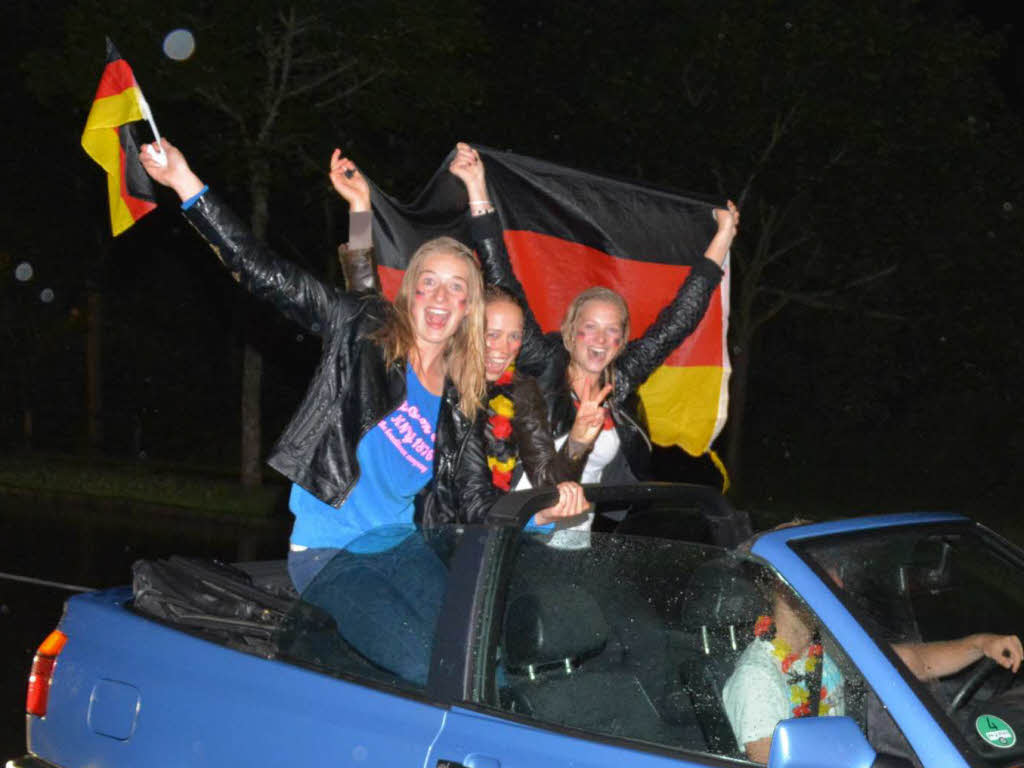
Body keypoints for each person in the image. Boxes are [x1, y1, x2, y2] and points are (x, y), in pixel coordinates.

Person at [139, 139, 586, 683]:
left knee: (482, 659)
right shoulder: (365, 337)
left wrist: (539, 516)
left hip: (401, 546)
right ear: (412, 294)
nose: (442, 298)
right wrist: (187, 184)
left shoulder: (461, 397)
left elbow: (472, 500)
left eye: (457, 289)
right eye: (429, 284)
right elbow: (268, 275)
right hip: (330, 552)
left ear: (469, 307)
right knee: (426, 665)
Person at [452, 143, 738, 533]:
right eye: (590, 326)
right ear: (570, 332)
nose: (600, 339)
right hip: (515, 529)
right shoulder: (543, 362)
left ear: (622, 341)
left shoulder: (619, 382)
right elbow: (501, 277)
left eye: (612, 330)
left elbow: (676, 324)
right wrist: (477, 188)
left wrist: (722, 238)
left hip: (575, 540)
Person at [329, 148, 607, 495]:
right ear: (467, 325)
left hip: (476, 529)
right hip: (408, 519)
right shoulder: (433, 367)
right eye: (492, 333)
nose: (502, 348)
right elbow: (364, 297)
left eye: (514, 337)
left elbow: (547, 482)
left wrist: (578, 441)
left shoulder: (523, 393)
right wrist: (359, 211)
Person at [722, 566, 1024, 764]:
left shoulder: (829, 648)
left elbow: (912, 662)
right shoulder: (756, 677)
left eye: (835, 572)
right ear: (783, 585)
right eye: (823, 574)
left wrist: (980, 644)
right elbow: (771, 760)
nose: (839, 583)